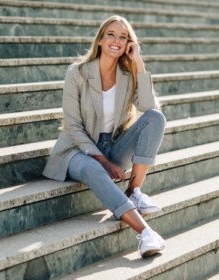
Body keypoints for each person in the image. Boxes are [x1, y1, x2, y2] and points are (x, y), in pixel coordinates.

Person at [42, 15, 166, 258]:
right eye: (111, 34)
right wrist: (103, 160)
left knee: (156, 118)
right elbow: (74, 126)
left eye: (123, 37)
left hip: (113, 144)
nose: (116, 40)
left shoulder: (127, 75)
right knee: (93, 169)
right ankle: (146, 232)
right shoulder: (76, 73)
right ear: (100, 39)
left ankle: (134, 192)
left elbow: (149, 107)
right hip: (76, 151)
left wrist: (138, 61)